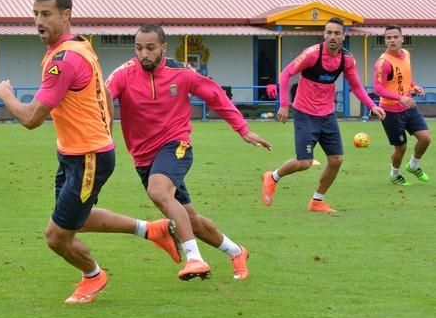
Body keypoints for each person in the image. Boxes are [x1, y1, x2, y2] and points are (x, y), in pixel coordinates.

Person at [0, 0, 181, 304]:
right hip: (75, 153)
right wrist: (104, 126)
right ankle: (152, 230)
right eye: (35, 14)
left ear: (66, 15)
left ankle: (93, 276)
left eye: (46, 14)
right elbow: (104, 92)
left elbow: (32, 118)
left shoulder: (63, 60)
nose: (39, 20)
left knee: (57, 236)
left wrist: (6, 95)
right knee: (75, 218)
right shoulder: (80, 46)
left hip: (87, 157)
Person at [106, 23, 272, 281]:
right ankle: (237, 251)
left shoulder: (182, 73)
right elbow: (102, 100)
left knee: (158, 191)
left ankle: (194, 258)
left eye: (150, 48)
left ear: (163, 47)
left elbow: (216, 96)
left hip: (176, 145)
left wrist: (243, 129)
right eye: (139, 48)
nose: (144, 54)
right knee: (189, 218)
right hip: (143, 157)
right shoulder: (122, 75)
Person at [261, 17, 386, 213]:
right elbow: (285, 74)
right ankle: (273, 177)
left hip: (327, 115)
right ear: (324, 34)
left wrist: (372, 105)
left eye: (337, 33)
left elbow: (356, 86)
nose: (332, 37)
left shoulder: (347, 60)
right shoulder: (312, 54)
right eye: (328, 33)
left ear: (344, 36)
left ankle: (317, 201)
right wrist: (284, 105)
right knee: (304, 162)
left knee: (336, 159)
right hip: (305, 113)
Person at [373, 25, 431, 185]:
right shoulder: (383, 63)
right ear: (384, 40)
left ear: (402, 39)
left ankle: (413, 165)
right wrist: (400, 97)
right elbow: (378, 89)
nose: (392, 40)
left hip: (408, 107)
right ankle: (394, 174)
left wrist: (414, 86)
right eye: (388, 37)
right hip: (390, 111)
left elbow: (405, 77)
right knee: (401, 147)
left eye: (395, 37)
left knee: (425, 138)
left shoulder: (406, 54)